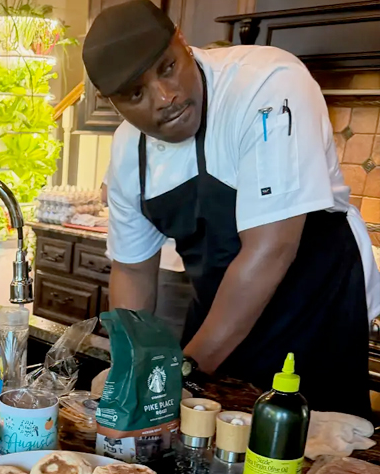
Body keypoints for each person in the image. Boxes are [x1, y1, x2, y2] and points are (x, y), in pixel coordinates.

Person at [82, 0, 380, 417]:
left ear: (182, 40)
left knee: (307, 445)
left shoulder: (267, 86)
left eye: (168, 67)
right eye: (136, 93)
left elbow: (271, 249)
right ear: (110, 102)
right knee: (199, 443)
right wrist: (131, 366)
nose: (165, 97)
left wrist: (185, 370)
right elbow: (132, 270)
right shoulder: (129, 150)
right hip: (219, 311)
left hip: (315, 313)